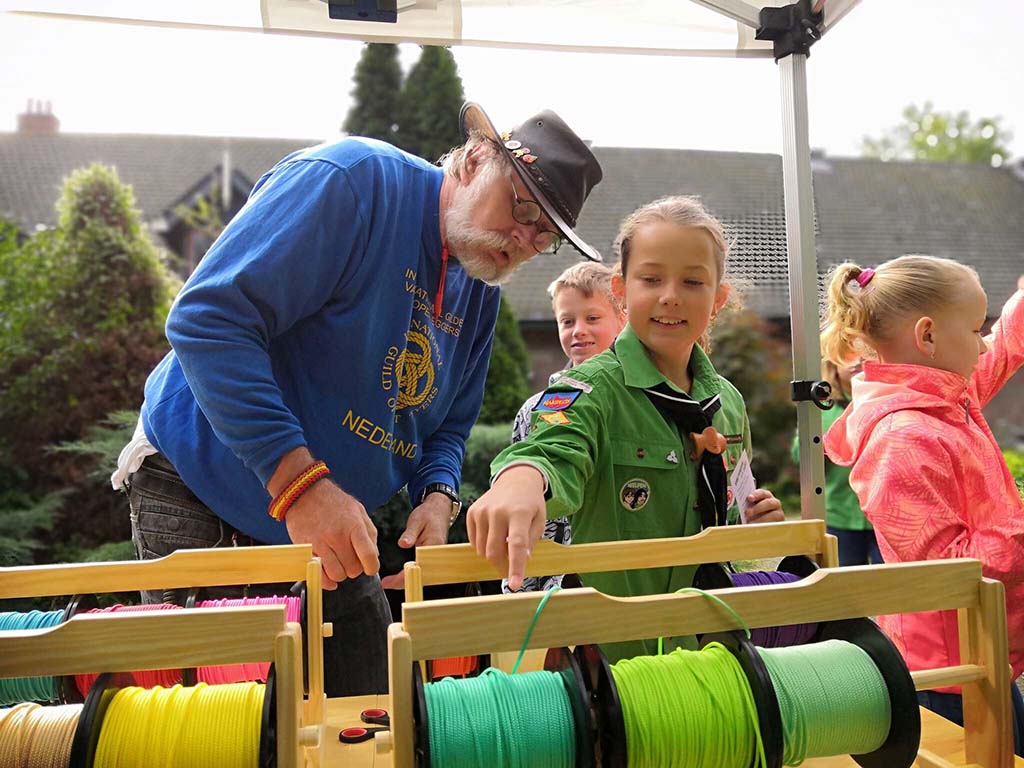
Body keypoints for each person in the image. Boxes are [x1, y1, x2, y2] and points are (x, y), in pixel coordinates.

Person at [110, 102, 603, 696]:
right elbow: (208, 320)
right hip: (203, 487)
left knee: (370, 703)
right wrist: (301, 486)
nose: (524, 239)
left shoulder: (479, 287)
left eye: (544, 236)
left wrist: (439, 491)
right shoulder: (352, 183)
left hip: (331, 523)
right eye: (521, 207)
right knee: (224, 727)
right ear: (475, 159)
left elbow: (448, 424)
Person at [466, 195, 785, 660]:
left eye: (692, 281)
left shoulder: (729, 403)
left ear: (717, 299)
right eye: (651, 279)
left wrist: (753, 524)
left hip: (713, 646)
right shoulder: (583, 388)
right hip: (614, 664)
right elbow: (550, 445)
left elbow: (731, 502)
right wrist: (522, 479)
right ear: (621, 288)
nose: (670, 295)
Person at [821, 257, 1024, 754]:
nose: (982, 343)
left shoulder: (944, 395)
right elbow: (946, 572)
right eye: (976, 329)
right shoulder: (903, 438)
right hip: (951, 677)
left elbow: (1004, 348)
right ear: (927, 336)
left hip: (985, 654)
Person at [504, 261, 626, 593]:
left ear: (623, 318)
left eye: (592, 318)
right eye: (567, 321)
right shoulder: (535, 411)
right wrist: (521, 591)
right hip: (553, 585)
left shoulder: (639, 403)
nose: (578, 330)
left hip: (623, 573)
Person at [790, 359, 881, 566]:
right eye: (847, 354)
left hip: (881, 513)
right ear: (832, 367)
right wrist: (823, 445)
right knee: (846, 585)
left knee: (887, 586)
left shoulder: (882, 400)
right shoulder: (820, 408)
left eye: (863, 352)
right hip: (838, 514)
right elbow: (799, 456)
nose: (857, 359)